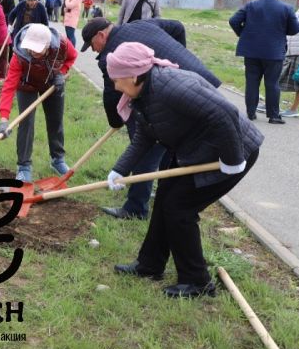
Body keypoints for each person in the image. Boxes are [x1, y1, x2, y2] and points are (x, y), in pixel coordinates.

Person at [106, 42, 263, 298]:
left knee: (179, 209)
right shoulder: (145, 93)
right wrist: (120, 170)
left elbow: (226, 113)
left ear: (134, 75)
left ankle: (197, 282)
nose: (115, 86)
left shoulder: (171, 86)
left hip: (231, 151)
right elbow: (145, 137)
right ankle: (150, 265)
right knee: (165, 199)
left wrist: (233, 159)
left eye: (117, 79)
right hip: (196, 149)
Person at [80, 17, 220, 220]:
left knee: (145, 148)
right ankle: (163, 192)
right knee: (168, 145)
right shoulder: (141, 24)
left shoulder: (111, 57)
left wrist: (116, 121)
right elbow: (178, 26)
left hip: (170, 96)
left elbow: (112, 96)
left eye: (92, 45)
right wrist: (178, 57)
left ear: (101, 35)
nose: (94, 51)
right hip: (198, 84)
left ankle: (135, 208)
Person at [0, 23, 76, 181]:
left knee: (55, 121)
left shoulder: (62, 44)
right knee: (26, 122)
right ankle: (24, 165)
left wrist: (62, 72)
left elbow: (72, 57)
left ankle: (57, 159)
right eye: (30, 48)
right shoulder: (19, 55)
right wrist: (4, 118)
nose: (32, 52)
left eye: (37, 49)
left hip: (53, 83)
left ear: (48, 45)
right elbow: (9, 86)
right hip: (26, 86)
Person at [229, 0, 299, 124]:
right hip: (274, 51)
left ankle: (250, 113)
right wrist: (280, 31)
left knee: (252, 82)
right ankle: (273, 116)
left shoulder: (250, 5)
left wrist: (243, 34)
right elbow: (295, 29)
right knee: (272, 83)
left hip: (251, 51)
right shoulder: (286, 8)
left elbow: (233, 20)